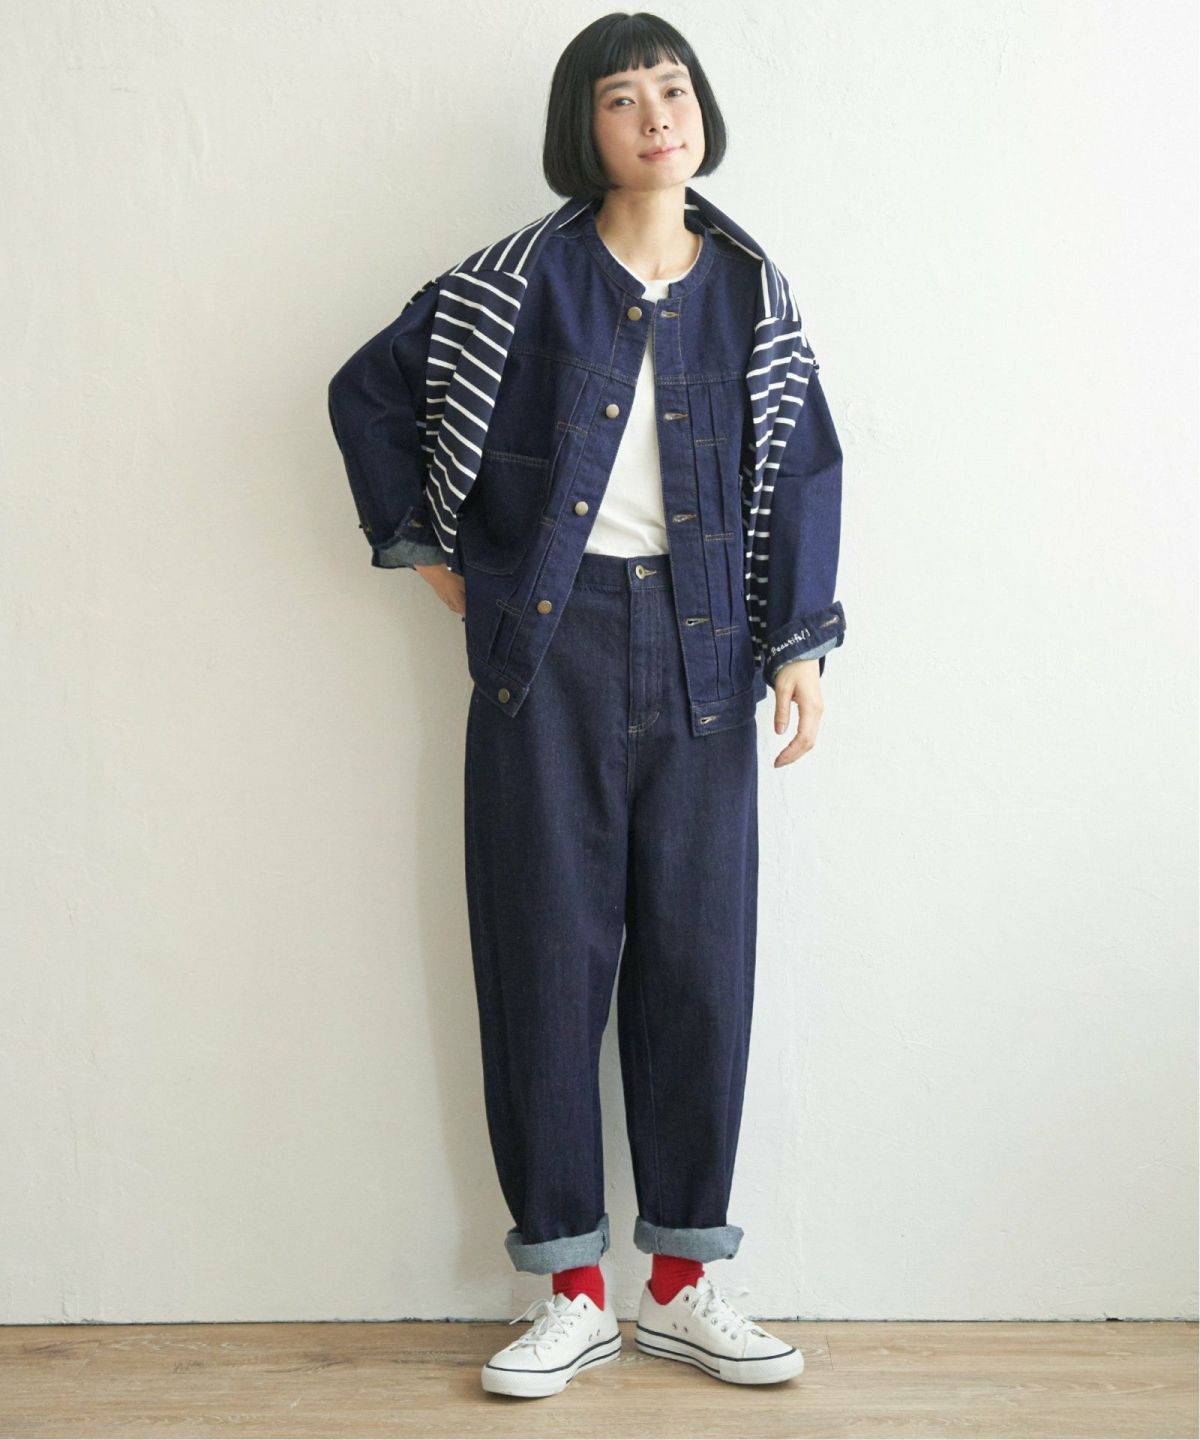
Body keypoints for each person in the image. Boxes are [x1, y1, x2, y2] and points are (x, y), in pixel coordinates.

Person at [327, 11, 846, 1399]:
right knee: (545, 959)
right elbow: (367, 392)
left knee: (699, 962)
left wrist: (798, 647)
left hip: (705, 653)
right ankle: (567, 1289)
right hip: (543, 656)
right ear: (584, 129)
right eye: (623, 98)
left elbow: (801, 466)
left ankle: (681, 1286)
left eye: (673, 88)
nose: (657, 114)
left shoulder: (753, 293)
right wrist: (438, 559)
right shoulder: (518, 283)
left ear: (702, 109)